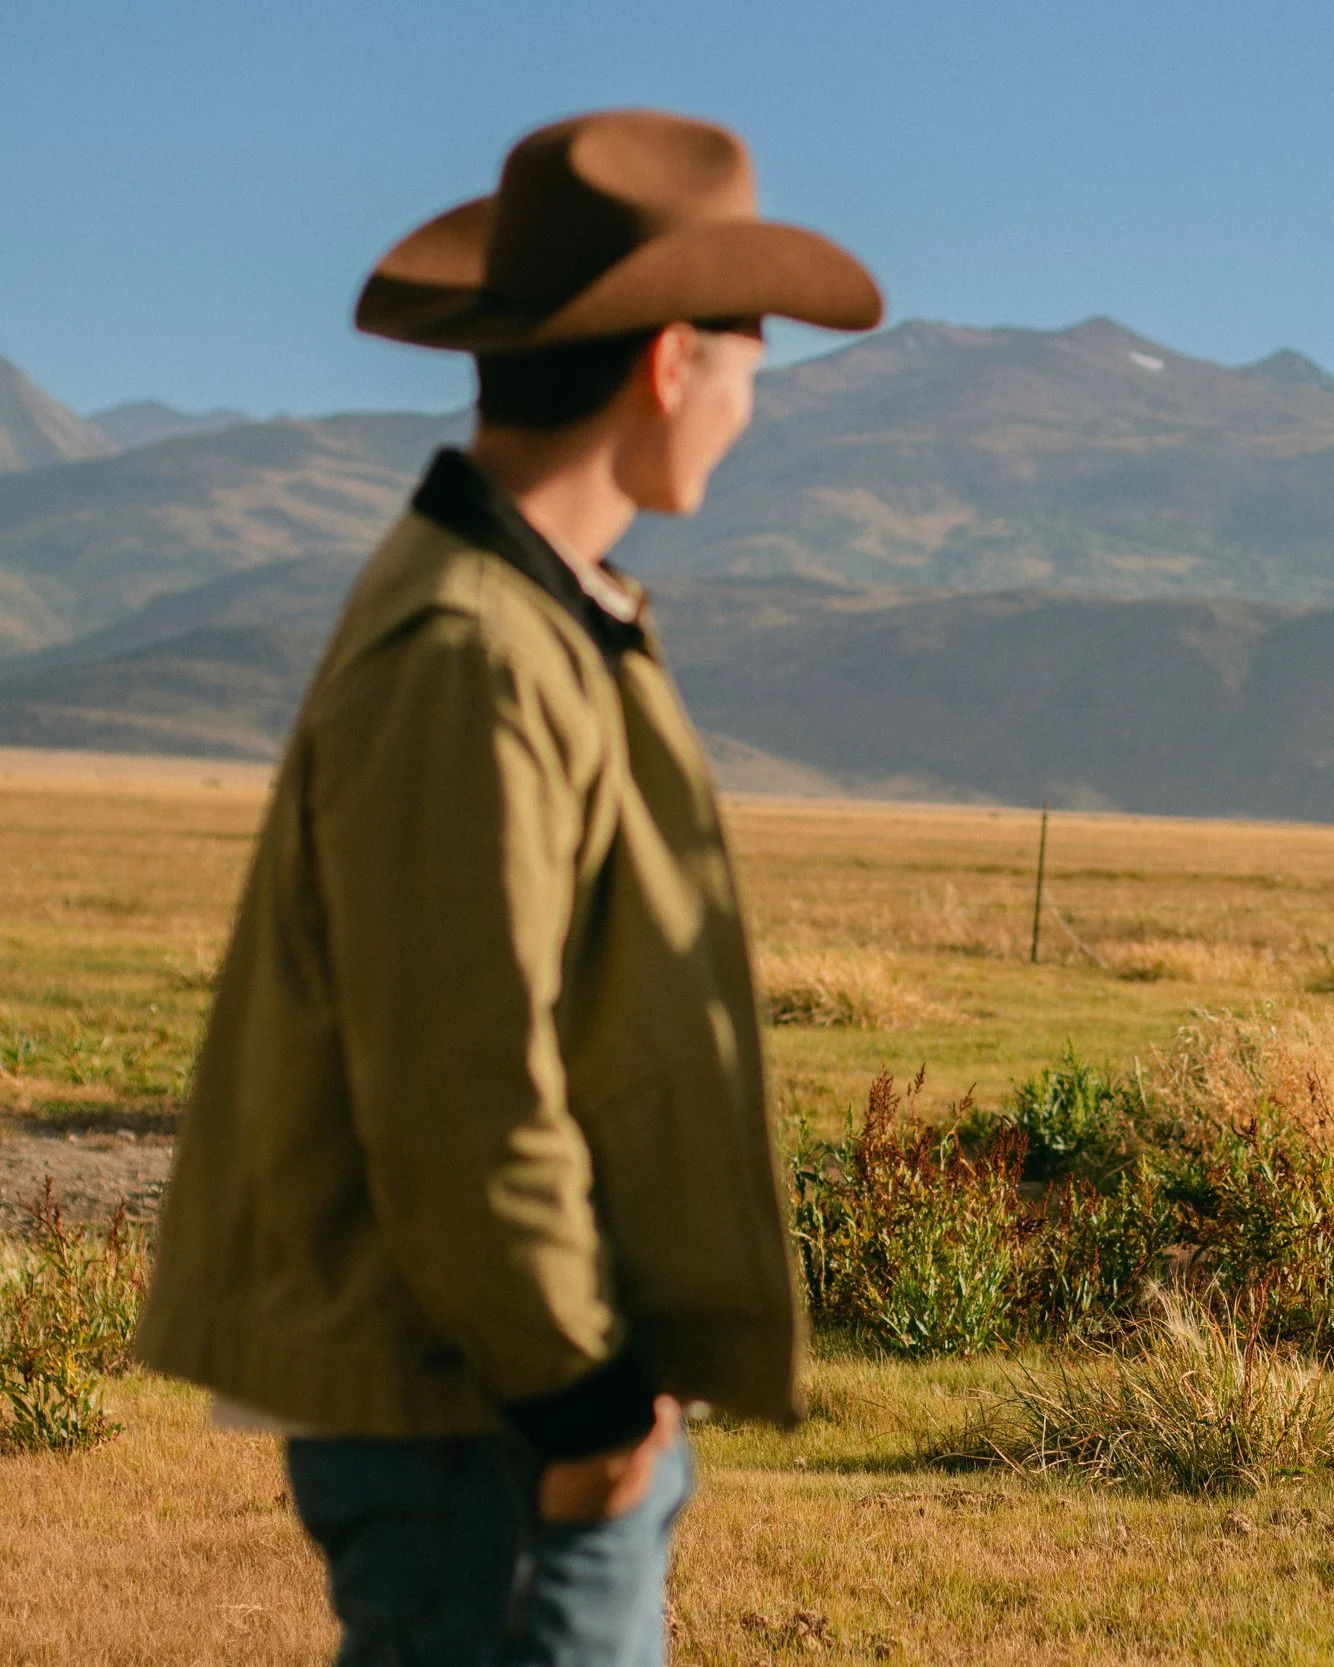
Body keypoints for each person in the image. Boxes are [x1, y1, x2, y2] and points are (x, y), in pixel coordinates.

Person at [133, 110, 882, 1665]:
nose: (752, 405)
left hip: (495, 1404)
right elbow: (460, 1086)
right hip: (483, 1419)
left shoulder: (532, 622)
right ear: (671, 363)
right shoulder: (479, 655)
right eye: (750, 361)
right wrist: (583, 1401)